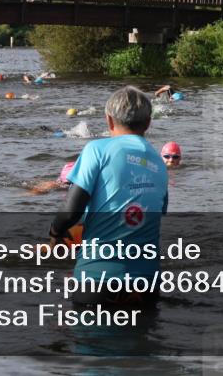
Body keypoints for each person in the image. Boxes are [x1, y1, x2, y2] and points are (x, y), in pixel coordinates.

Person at [48, 86, 168, 306]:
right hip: (147, 283)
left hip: (97, 280)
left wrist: (55, 232)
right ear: (148, 123)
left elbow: (71, 211)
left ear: (109, 120)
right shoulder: (159, 163)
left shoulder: (97, 150)